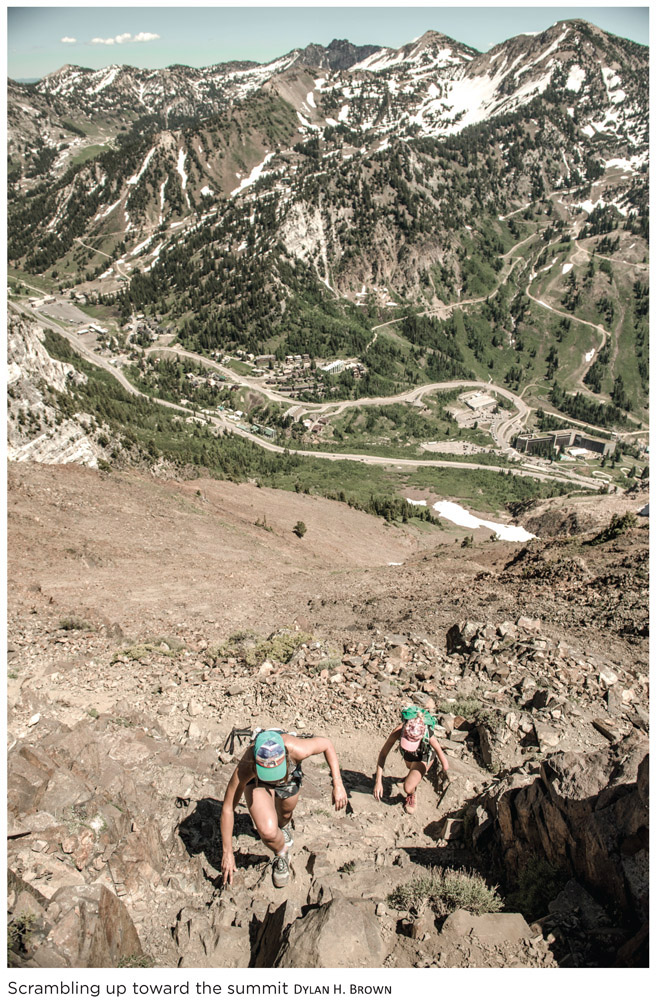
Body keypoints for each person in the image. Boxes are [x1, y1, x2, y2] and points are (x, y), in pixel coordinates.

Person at [220, 729, 348, 888]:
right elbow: (228, 808)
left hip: (288, 776)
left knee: (286, 813)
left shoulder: (297, 749)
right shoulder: (247, 764)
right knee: (267, 831)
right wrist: (227, 852)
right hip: (258, 780)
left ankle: (284, 826)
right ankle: (281, 853)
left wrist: (338, 784)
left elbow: (327, 744)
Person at [373, 706, 449, 814]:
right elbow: (383, 754)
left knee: (408, 787)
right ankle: (412, 777)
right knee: (410, 767)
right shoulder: (398, 731)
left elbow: (439, 751)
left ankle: (411, 794)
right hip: (409, 754)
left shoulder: (427, 734)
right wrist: (378, 781)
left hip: (425, 756)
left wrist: (444, 766)